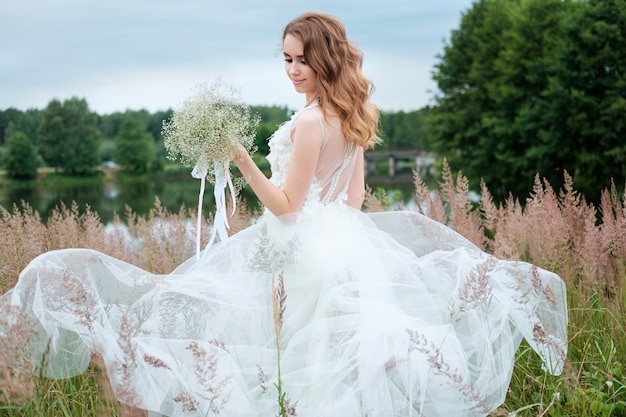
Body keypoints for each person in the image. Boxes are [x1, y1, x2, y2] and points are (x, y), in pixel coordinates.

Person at [0, 12, 567, 417]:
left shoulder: (312, 123)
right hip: (342, 243)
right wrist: (336, 236)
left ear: (324, 59)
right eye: (288, 60)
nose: (293, 70)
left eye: (302, 60)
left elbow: (288, 206)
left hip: (299, 250)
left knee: (284, 350)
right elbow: (350, 201)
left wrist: (241, 156)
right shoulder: (355, 117)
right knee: (323, 356)